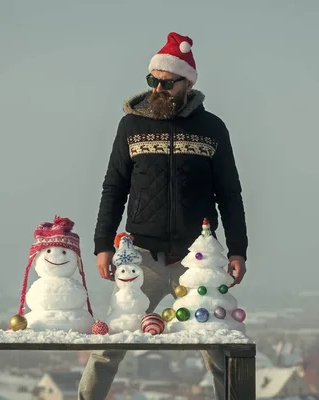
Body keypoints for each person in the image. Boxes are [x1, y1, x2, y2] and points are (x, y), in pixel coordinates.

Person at [78, 31, 248, 400]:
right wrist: (102, 244)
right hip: (141, 259)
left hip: (198, 261)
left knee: (216, 349)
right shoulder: (131, 126)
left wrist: (238, 250)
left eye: (166, 83)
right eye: (152, 80)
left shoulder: (212, 129)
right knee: (111, 346)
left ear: (187, 83)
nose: (158, 88)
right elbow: (114, 188)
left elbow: (230, 194)